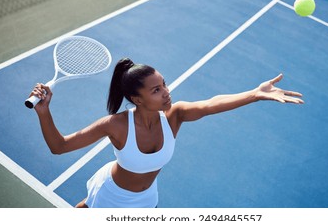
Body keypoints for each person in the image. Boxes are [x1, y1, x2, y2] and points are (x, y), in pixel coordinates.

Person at [30, 57, 304, 208]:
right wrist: (44, 113)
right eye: (156, 90)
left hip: (148, 198)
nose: (166, 93)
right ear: (137, 99)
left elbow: (210, 103)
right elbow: (60, 146)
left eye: (164, 84)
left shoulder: (175, 115)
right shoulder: (116, 125)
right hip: (112, 197)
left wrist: (255, 94)